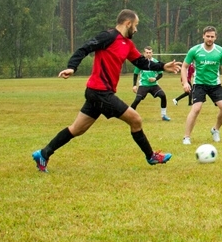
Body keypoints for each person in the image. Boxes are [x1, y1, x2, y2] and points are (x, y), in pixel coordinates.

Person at [31, 10, 180, 171]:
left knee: (77, 129)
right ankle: (151, 156)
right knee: (135, 119)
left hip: (99, 93)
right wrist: (71, 67)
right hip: (99, 92)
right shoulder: (108, 37)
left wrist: (163, 66)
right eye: (135, 26)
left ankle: (43, 154)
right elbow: (84, 49)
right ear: (128, 23)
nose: (136, 30)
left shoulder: (128, 44)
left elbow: (142, 63)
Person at [181, 26, 222, 145]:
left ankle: (215, 130)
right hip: (199, 84)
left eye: (212, 36)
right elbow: (184, 66)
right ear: (203, 36)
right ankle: (186, 137)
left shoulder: (220, 51)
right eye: (207, 36)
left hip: (215, 84)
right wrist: (185, 82)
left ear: (215, 37)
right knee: (196, 108)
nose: (209, 39)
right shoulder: (195, 50)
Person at [130, 46, 170, 121]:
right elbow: (135, 74)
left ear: (152, 53)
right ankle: (129, 115)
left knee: (163, 95)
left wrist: (155, 79)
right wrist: (134, 85)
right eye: (147, 52)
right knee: (137, 99)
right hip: (143, 85)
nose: (148, 54)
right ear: (144, 53)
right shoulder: (141, 62)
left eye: (150, 52)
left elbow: (160, 74)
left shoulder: (155, 62)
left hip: (154, 85)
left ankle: (163, 115)